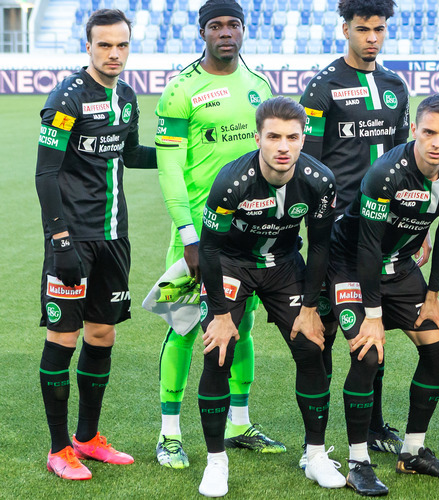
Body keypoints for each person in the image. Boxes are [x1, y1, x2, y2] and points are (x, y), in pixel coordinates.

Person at [153, 0, 280, 469]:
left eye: (233, 25)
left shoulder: (259, 85)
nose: (225, 33)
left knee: (240, 326)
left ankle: (239, 423)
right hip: (195, 235)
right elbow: (168, 167)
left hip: (246, 233)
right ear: (202, 32)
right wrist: (187, 233)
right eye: (216, 26)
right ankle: (168, 434)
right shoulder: (180, 89)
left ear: (243, 31)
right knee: (184, 328)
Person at [195, 97, 340, 497]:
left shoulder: (319, 180)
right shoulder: (231, 181)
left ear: (303, 138)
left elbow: (322, 248)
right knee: (217, 351)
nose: (283, 146)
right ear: (258, 137)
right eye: (273, 136)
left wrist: (310, 308)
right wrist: (222, 315)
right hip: (231, 264)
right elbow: (208, 249)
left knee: (311, 348)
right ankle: (216, 462)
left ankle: (314, 456)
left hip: (283, 266)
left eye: (292, 137)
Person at [328, 94, 439, 495]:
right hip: (351, 265)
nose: (436, 143)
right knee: (367, 352)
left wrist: (433, 293)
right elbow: (368, 248)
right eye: (428, 132)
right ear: (414, 131)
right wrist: (372, 315)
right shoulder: (386, 172)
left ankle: (412, 452)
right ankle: (358, 461)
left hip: (403, 265)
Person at [35, 8, 156, 480]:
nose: (114, 54)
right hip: (73, 241)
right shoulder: (67, 97)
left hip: (114, 239)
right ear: (88, 46)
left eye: (121, 45)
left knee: (101, 335)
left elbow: (130, 153)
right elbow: (46, 173)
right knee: (62, 338)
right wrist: (59, 239)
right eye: (104, 45)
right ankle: (58, 447)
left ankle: (87, 438)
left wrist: (182, 148)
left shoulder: (127, 97)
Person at [299, 0, 411, 460]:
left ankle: (376, 420)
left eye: (379, 30)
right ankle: (317, 438)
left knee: (373, 319)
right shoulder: (322, 88)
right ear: (345, 29)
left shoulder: (395, 85)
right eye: (362, 29)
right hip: (336, 230)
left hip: (384, 229)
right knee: (323, 328)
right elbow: (308, 162)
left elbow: (405, 157)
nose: (371, 38)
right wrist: (317, 226)